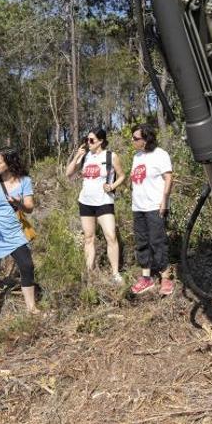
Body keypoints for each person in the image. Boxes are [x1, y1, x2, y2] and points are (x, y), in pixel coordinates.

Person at [0, 147, 40, 322]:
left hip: (14, 232)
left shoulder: (25, 181)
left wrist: (19, 203)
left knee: (27, 265)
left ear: (9, 163)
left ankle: (32, 308)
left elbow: (30, 208)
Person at [64, 128, 126, 283]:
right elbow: (68, 174)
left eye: (91, 140)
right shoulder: (85, 157)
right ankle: (88, 272)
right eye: (87, 139)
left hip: (104, 201)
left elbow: (122, 175)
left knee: (111, 236)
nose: (88, 143)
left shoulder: (111, 156)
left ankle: (115, 274)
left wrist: (112, 186)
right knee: (88, 238)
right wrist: (77, 156)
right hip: (85, 202)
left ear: (101, 141)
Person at [128, 124, 174, 296]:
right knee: (142, 243)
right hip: (138, 207)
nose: (132, 141)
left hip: (155, 206)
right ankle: (146, 278)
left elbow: (168, 178)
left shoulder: (160, 155)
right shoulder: (137, 157)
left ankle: (166, 278)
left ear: (146, 139)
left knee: (157, 242)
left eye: (136, 138)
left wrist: (164, 201)